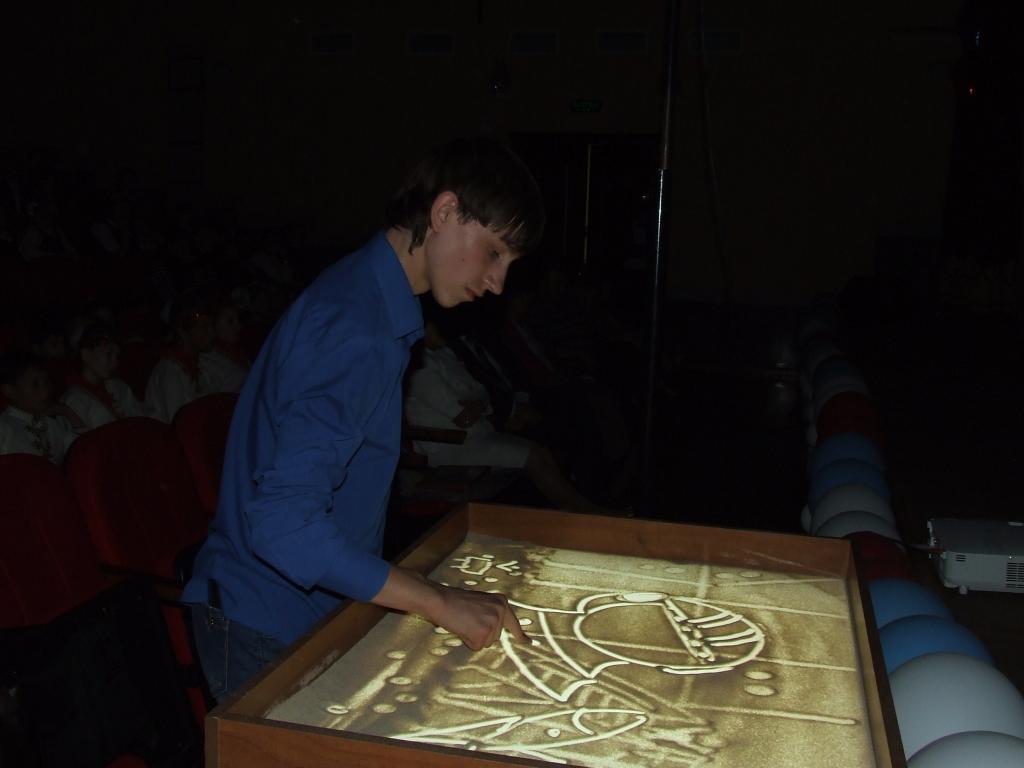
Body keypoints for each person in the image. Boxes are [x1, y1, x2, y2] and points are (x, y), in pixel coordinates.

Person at [181, 137, 545, 702]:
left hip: (298, 608)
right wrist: (438, 602)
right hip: (265, 622)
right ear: (445, 212)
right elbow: (282, 526)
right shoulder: (358, 326)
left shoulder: (368, 295)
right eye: (494, 252)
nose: (498, 282)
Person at [406, 319, 615, 515]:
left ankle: (584, 508)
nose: (442, 328)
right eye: (434, 324)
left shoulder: (445, 355)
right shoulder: (420, 368)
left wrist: (479, 404)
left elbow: (482, 391)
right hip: (450, 446)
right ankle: (585, 513)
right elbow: (464, 417)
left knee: (541, 450)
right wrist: (478, 404)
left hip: (478, 433)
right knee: (532, 455)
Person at [61, 323, 149, 430]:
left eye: (117, 356)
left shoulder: (118, 387)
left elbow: (141, 419)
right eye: (108, 354)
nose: (115, 363)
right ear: (86, 355)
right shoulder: (75, 399)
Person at [145, 290, 215, 422]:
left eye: (211, 325)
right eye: (204, 327)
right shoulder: (169, 371)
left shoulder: (204, 364)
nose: (211, 332)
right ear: (182, 332)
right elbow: (181, 423)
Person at [0, 350, 80, 464]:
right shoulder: (4, 428)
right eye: (35, 384)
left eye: (46, 381)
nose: (46, 391)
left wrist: (68, 412)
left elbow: (83, 448)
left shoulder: (50, 423)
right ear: (9, 391)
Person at [198, 298, 251, 394]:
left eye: (238, 320)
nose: (239, 327)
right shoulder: (205, 360)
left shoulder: (239, 351)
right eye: (230, 321)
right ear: (213, 324)